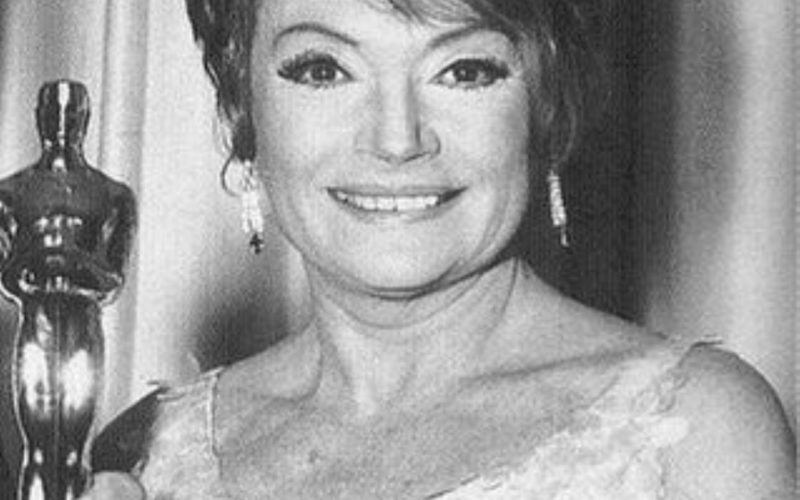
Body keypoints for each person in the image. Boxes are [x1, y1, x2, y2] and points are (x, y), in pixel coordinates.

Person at [82, 0, 795, 498]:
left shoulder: (695, 433)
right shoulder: (145, 452)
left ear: (545, 107)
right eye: (323, 68)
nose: (397, 139)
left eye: (465, 70)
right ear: (244, 113)